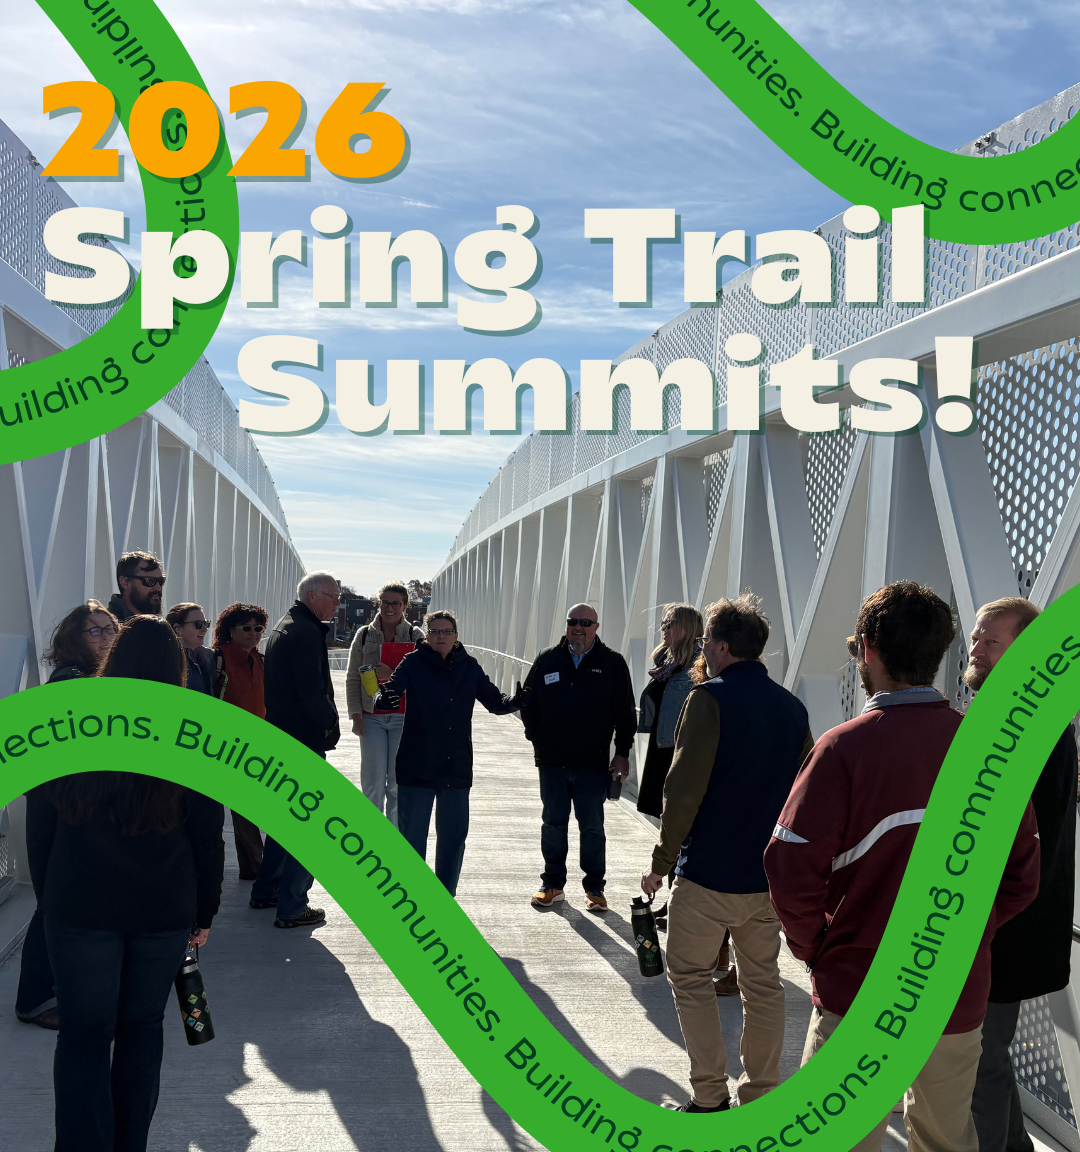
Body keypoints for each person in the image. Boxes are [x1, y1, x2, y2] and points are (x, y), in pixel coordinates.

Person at [764, 582, 1040, 1152]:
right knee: (946, 1140)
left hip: (858, 989)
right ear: (942, 651)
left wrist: (816, 946)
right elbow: (1020, 880)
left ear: (866, 649)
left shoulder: (842, 750)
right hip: (954, 993)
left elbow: (789, 867)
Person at [26, 614, 224, 1152]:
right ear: (176, 666)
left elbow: (41, 818)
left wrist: (50, 896)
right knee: (141, 1031)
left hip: (79, 901)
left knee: (83, 1036)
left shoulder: (71, 719)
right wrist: (204, 911)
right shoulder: (192, 730)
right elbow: (208, 833)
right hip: (161, 906)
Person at [640, 594, 812, 1112]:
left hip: (710, 871)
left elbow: (684, 789)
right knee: (763, 984)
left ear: (718, 645)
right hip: (766, 878)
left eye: (708, 641)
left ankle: (710, 1097)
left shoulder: (708, 698)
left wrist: (662, 861)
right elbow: (807, 786)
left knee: (690, 978)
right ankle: (760, 1095)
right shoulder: (792, 707)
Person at [965, 597, 1078, 1152]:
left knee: (978, 1062)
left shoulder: (1020, 724)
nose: (976, 649)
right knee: (987, 1057)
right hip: (1014, 922)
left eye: (992, 641)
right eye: (976, 637)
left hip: (1004, 925)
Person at [16, 600, 119, 1031]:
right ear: (71, 640)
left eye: (109, 629)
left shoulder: (95, 680)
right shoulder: (71, 682)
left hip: (67, 804)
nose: (103, 636)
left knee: (61, 900)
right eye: (92, 631)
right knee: (53, 903)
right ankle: (35, 999)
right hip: (56, 808)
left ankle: (53, 990)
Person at [375, 610, 518, 896]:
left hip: (456, 764)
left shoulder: (469, 666)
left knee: (453, 838)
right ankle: (413, 897)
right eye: (436, 632)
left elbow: (497, 703)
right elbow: (390, 691)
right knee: (412, 838)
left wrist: (522, 699)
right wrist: (384, 696)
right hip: (417, 763)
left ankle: (445, 898)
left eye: (447, 631)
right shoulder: (412, 662)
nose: (441, 636)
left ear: (456, 635)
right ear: (427, 636)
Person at [519, 603, 636, 911]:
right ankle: (553, 884)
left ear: (596, 627)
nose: (578, 627)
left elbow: (624, 713)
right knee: (553, 823)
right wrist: (537, 738)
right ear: (567, 625)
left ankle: (595, 888)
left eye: (586, 622)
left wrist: (622, 753)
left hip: (592, 763)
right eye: (573, 622)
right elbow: (528, 702)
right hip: (552, 762)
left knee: (593, 827)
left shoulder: (612, 663)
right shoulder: (548, 659)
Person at [249, 572, 340, 929]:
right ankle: (292, 906)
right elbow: (310, 692)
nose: (336, 602)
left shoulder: (287, 626)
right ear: (313, 596)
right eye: (333, 596)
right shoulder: (304, 633)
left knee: (285, 822)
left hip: (283, 735)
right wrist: (330, 722)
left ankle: (266, 890)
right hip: (302, 739)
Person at [346, 581, 425, 828]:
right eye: (385, 602)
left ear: (405, 606)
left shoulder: (416, 636)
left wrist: (392, 672)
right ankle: (371, 837)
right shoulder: (364, 635)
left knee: (398, 784)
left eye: (396, 603)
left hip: (404, 716)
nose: (390, 608)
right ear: (378, 603)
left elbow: (425, 678)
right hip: (372, 717)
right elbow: (351, 678)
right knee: (372, 783)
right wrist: (355, 715)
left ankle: (393, 841)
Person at [212, 602, 270, 881]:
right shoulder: (217, 659)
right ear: (230, 630)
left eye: (258, 628)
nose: (253, 633)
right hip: (225, 745)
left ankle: (254, 866)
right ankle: (251, 866)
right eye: (246, 628)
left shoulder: (260, 661)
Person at [636, 603, 704, 818]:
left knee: (677, 813)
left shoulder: (699, 666)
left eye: (669, 624)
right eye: (663, 623)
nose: (663, 628)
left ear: (686, 628)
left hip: (680, 749)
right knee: (664, 812)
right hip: (663, 745)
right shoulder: (667, 662)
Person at [167, 603, 215, 694]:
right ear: (177, 628)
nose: (205, 629)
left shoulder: (208, 658)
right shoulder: (167, 660)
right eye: (198, 624)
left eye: (206, 623)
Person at [108, 551, 165, 621]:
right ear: (125, 583)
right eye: (149, 581)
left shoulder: (163, 627)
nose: (158, 588)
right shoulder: (109, 627)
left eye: (160, 581)